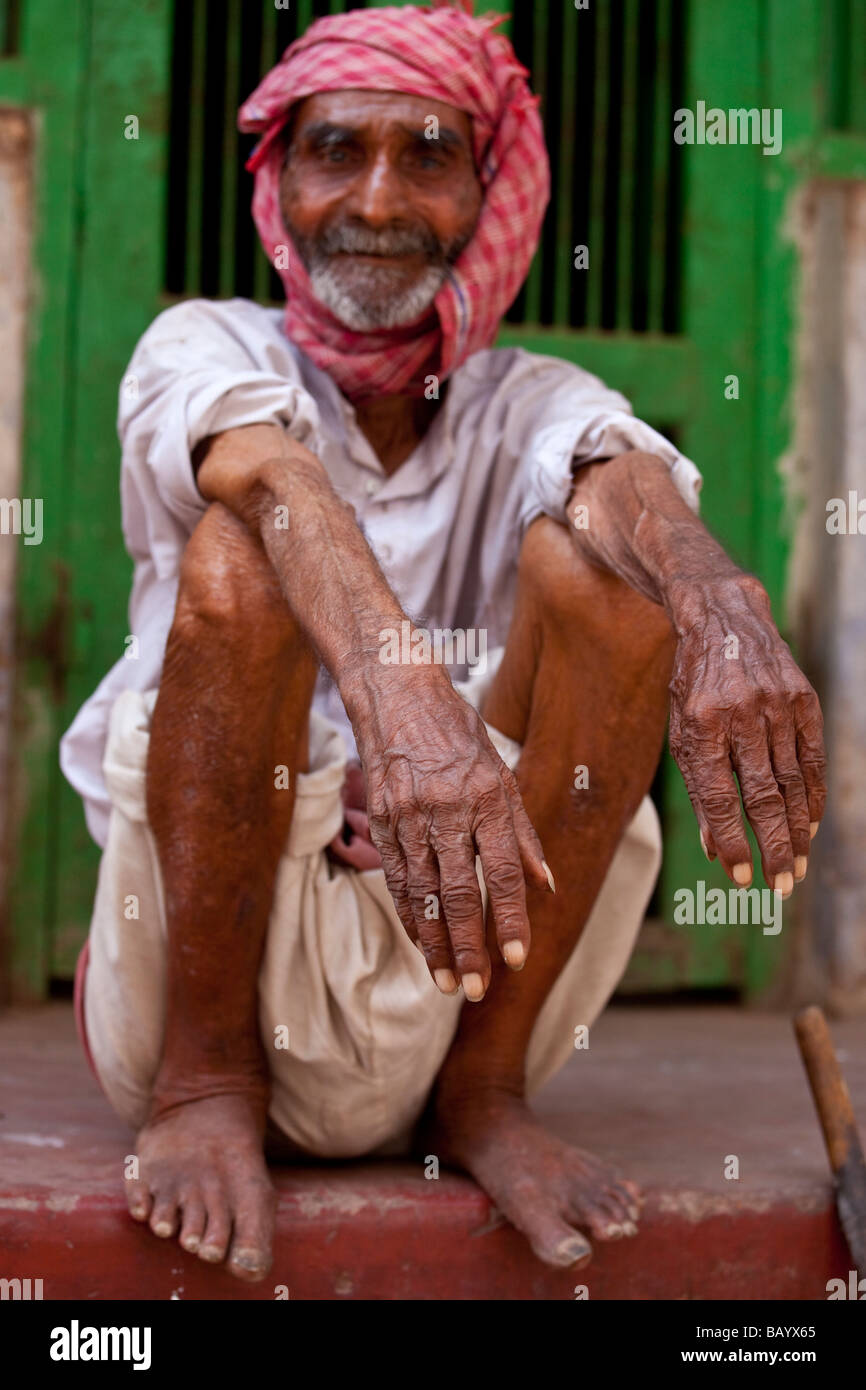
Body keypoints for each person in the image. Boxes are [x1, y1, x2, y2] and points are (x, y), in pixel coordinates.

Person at [60, 5, 825, 1283]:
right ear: (278, 180)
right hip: (205, 974)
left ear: (484, 190)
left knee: (615, 578)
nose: (376, 196)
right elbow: (271, 478)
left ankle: (483, 1100)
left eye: (427, 155)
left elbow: (612, 468)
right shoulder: (204, 345)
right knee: (240, 556)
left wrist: (723, 605)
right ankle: (207, 1087)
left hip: (474, 964)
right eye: (335, 151)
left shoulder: (520, 395)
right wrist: (406, 704)